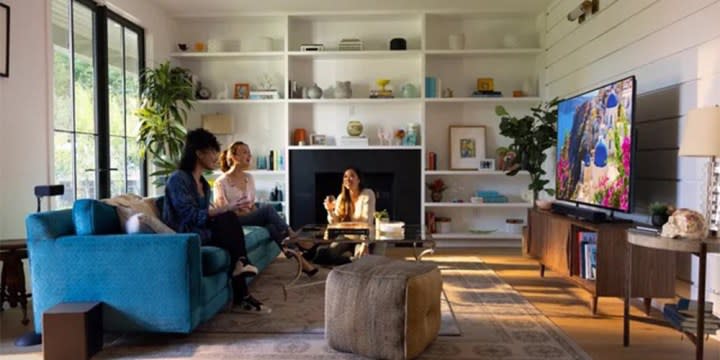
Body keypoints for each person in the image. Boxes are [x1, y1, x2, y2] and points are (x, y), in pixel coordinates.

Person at [162, 129, 268, 313]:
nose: (217, 156)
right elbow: (189, 216)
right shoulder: (178, 179)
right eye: (213, 151)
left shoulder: (203, 182)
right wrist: (225, 208)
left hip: (202, 229)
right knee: (227, 218)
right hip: (185, 234)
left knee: (229, 221)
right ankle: (243, 289)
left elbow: (205, 215)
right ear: (199, 153)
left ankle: (241, 271)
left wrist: (225, 210)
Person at [214, 141, 318, 277]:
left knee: (271, 227)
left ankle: (301, 261)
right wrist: (241, 210)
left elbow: (252, 204)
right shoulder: (221, 182)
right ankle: (293, 236)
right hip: (233, 221)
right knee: (268, 209)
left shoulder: (249, 178)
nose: (249, 155)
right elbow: (222, 209)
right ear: (234, 157)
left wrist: (250, 210)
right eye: (245, 152)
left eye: (249, 152)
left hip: (248, 216)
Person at [320, 167, 378, 262]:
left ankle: (351, 260)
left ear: (358, 180)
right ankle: (349, 260)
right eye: (345, 176)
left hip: (362, 237)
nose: (348, 179)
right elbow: (335, 222)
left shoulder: (368, 194)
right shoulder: (341, 198)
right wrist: (330, 211)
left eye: (352, 176)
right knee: (328, 254)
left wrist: (365, 244)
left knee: (360, 259)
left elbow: (369, 221)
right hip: (346, 236)